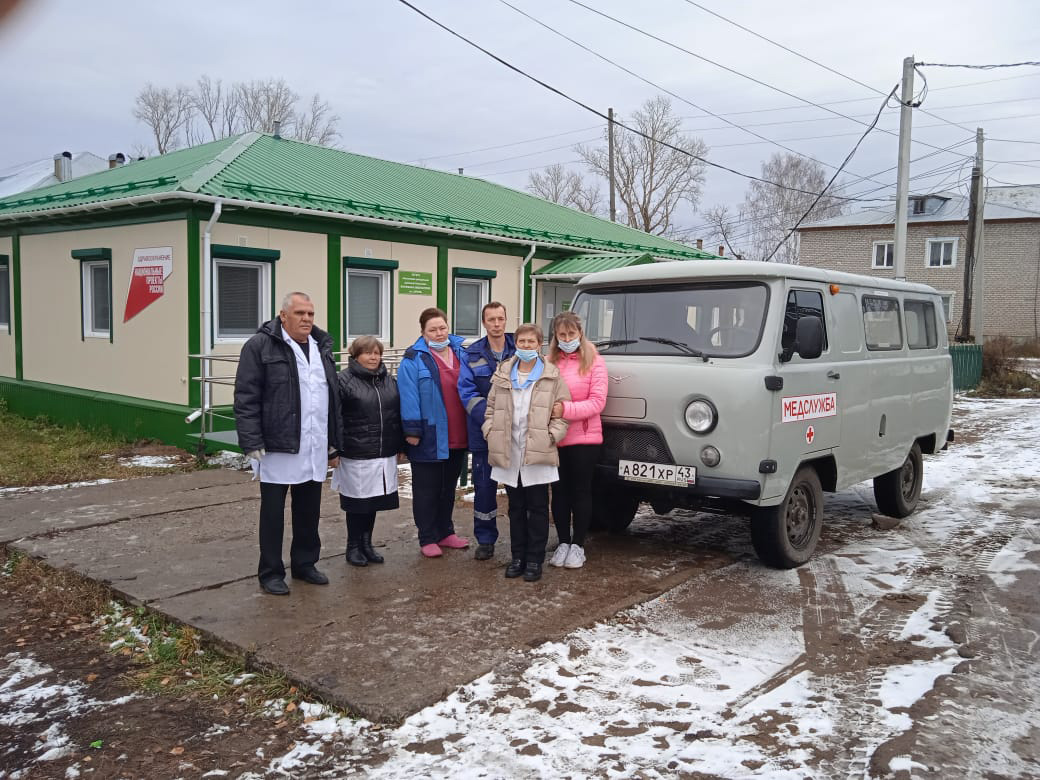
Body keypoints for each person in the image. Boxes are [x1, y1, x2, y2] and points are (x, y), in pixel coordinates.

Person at [234, 291, 342, 596]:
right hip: (277, 445)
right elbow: (246, 396)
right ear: (283, 316)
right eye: (299, 313)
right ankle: (270, 571)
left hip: (314, 442)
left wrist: (334, 442)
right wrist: (251, 440)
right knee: (273, 512)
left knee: (309, 509)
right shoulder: (260, 346)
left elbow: (331, 398)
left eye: (310, 313)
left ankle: (305, 563)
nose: (307, 319)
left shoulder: (321, 347)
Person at [483, 323, 570, 582]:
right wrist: (490, 430)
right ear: (516, 344)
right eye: (522, 342)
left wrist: (551, 436)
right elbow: (490, 408)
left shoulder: (551, 375)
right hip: (509, 450)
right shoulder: (503, 373)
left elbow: (562, 413)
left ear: (539, 344)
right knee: (516, 508)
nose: (526, 346)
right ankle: (517, 557)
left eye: (531, 342)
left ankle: (534, 559)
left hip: (538, 450)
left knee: (538, 507)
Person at [398, 307, 471, 558]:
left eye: (442, 328)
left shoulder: (461, 353)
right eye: (433, 330)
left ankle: (445, 532)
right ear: (423, 332)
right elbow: (408, 395)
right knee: (426, 490)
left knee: (447, 488)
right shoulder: (413, 359)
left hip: (458, 432)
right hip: (428, 434)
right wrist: (412, 430)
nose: (439, 333)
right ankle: (427, 536)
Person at [332, 336, 402, 567]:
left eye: (377, 353)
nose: (373, 357)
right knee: (357, 503)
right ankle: (353, 546)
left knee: (373, 501)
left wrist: (400, 444)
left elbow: (396, 414)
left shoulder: (388, 380)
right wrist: (333, 449)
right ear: (355, 356)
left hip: (382, 451)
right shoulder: (343, 381)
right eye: (368, 353)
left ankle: (366, 543)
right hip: (356, 452)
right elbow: (334, 417)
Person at [547, 310, 608, 570]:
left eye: (571, 333)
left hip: (585, 438)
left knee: (581, 491)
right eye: (562, 334)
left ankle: (578, 545)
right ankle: (562, 541)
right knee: (559, 492)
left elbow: (597, 402)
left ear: (580, 333)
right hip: (556, 438)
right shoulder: (550, 362)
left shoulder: (594, 361)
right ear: (555, 336)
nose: (567, 338)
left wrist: (565, 410)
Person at [458, 302, 516, 561]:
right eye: (491, 319)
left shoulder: (521, 348)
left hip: (516, 433)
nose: (496, 324)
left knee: (517, 489)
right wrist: (492, 420)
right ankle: (485, 539)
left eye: (500, 318)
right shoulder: (472, 354)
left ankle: (520, 538)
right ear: (484, 323)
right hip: (484, 434)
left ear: (506, 320)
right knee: (484, 488)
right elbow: (467, 393)